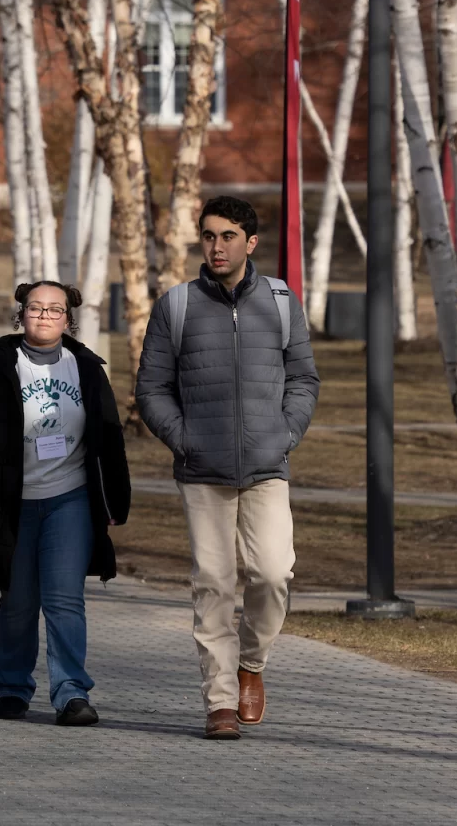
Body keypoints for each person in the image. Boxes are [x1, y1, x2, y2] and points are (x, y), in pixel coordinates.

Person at [137, 196, 318, 740]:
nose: (217, 246)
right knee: (213, 583)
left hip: (267, 466)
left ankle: (252, 665)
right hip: (202, 469)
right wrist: (184, 439)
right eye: (209, 235)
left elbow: (304, 378)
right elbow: (151, 388)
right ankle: (219, 701)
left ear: (251, 242)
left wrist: (285, 433)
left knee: (272, 573)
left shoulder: (282, 303)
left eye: (229, 236)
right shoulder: (177, 305)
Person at [0, 281, 131, 727]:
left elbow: (110, 436)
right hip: (14, 504)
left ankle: (72, 692)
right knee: (17, 601)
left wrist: (115, 499)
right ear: (21, 315)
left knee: (64, 600)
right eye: (36, 308)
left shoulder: (87, 369)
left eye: (55, 310)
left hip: (69, 500)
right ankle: (14, 688)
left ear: (68, 319)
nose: (44, 316)